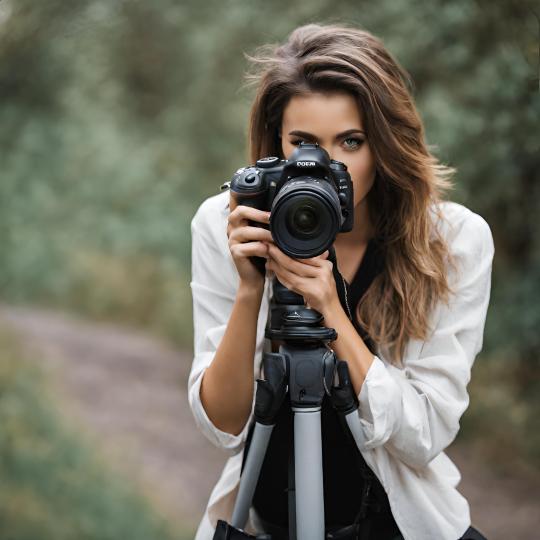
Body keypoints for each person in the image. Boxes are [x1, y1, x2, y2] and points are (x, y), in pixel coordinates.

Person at [188, 23, 494, 540]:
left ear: (384, 144)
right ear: (275, 146)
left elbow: (425, 434)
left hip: (398, 526)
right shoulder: (230, 222)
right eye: (303, 143)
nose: (326, 165)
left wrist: (331, 308)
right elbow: (222, 425)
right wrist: (249, 288)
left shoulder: (452, 240)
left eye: (351, 141)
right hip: (269, 522)